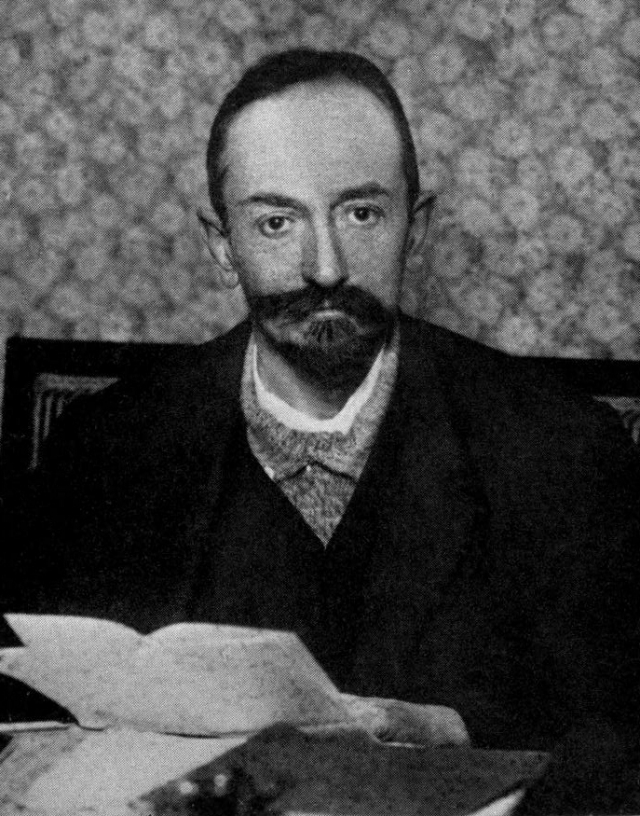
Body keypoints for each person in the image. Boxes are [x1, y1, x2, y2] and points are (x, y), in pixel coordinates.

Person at [2, 49, 640, 812]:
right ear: (222, 246)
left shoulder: (561, 448)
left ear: (416, 228)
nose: (325, 266)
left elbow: (621, 725)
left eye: (361, 213)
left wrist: (458, 728)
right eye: (276, 222)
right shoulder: (104, 449)